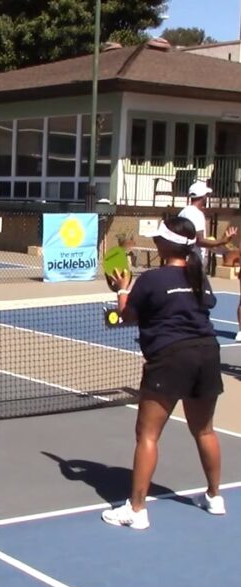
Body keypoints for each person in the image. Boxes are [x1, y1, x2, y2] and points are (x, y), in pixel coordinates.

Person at [101, 216, 226, 530]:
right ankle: (214, 497)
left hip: (171, 358)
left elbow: (124, 317)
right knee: (205, 430)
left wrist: (121, 291)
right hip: (207, 353)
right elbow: (200, 306)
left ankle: (137, 510)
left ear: (165, 245)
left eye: (158, 238)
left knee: (147, 435)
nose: (154, 242)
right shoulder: (199, 276)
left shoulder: (151, 280)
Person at [178, 180, 237, 268]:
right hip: (193, 263)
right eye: (206, 195)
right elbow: (199, 240)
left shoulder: (184, 212)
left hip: (184, 259)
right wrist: (223, 241)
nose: (207, 197)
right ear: (203, 196)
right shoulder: (196, 214)